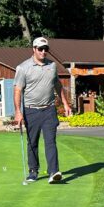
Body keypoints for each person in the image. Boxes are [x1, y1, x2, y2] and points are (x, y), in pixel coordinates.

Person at [14, 37, 72, 183]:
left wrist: (65, 104)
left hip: (49, 109)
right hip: (31, 110)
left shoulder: (52, 66)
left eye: (46, 49)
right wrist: (18, 112)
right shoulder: (23, 68)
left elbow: (57, 85)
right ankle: (33, 171)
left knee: (50, 141)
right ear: (34, 49)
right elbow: (17, 91)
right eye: (40, 49)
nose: (43, 52)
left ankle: (54, 172)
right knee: (32, 142)